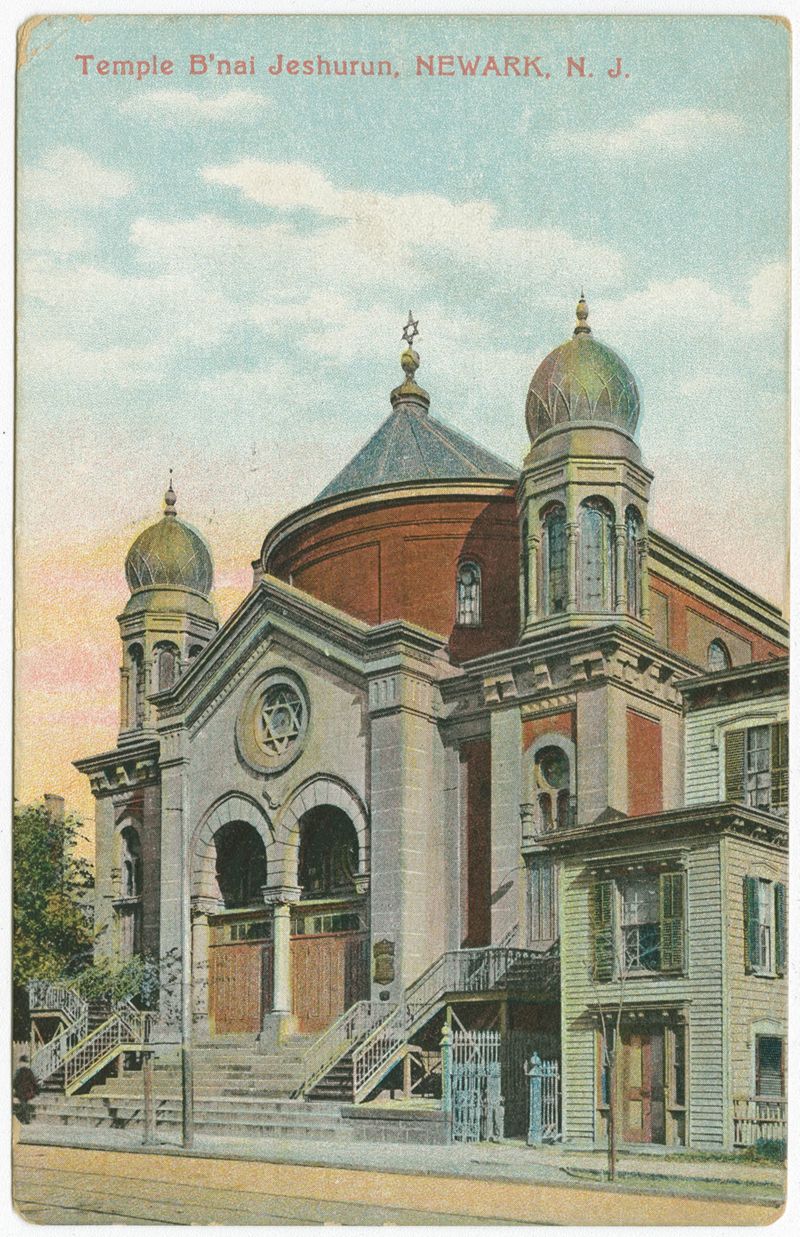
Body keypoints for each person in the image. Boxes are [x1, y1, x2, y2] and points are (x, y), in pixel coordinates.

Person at [13, 1056, 39, 1124]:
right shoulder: (29, 1071)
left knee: (23, 1104)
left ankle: (24, 1118)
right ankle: (25, 1119)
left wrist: (15, 1088)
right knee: (24, 1104)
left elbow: (15, 1082)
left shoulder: (19, 1071)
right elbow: (34, 1081)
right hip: (27, 1091)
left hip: (21, 1091)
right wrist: (36, 1090)